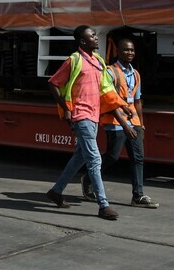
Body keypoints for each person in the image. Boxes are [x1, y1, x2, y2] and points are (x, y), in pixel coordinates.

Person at [44, 25, 119, 220]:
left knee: (80, 157)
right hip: (81, 116)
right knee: (94, 159)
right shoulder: (74, 60)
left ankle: (56, 192)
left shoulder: (98, 61)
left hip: (94, 116)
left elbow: (106, 88)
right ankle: (103, 205)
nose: (96, 37)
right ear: (83, 41)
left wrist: (120, 106)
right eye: (92, 36)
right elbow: (53, 83)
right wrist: (66, 108)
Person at [82, 38, 159, 208]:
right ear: (118, 51)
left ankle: (138, 195)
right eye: (126, 50)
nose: (130, 53)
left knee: (138, 158)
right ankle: (88, 177)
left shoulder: (135, 74)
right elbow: (109, 101)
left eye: (132, 50)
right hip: (116, 121)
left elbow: (137, 101)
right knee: (112, 156)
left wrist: (141, 124)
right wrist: (125, 125)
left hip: (133, 121)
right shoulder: (110, 72)